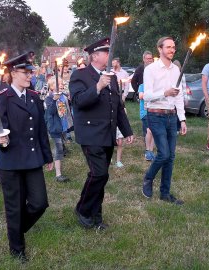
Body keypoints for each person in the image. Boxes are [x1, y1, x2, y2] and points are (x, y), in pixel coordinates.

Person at [0, 52, 53, 262]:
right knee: (14, 206)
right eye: (25, 72)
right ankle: (17, 249)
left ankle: (16, 228)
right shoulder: (2, 98)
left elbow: (41, 129)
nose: (30, 76)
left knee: (39, 203)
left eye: (30, 72)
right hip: (11, 162)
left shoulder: (34, 97)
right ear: (13, 73)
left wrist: (48, 156)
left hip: (33, 159)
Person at [69, 38, 134, 230]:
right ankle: (83, 210)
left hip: (107, 134)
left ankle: (94, 213)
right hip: (90, 133)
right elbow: (79, 101)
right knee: (99, 174)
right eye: (107, 52)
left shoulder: (112, 77)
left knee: (101, 176)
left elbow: (117, 107)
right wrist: (97, 86)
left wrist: (127, 129)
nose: (110, 55)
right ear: (95, 56)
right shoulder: (80, 75)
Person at [142, 36, 187, 205]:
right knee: (164, 153)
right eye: (168, 47)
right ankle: (148, 178)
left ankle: (165, 193)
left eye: (173, 47)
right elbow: (146, 96)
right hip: (155, 115)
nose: (172, 50)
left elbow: (179, 96)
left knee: (171, 157)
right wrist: (165, 93)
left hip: (171, 116)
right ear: (159, 49)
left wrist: (182, 119)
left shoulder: (176, 70)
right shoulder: (151, 69)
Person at [44, 76, 71, 182]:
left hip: (63, 126)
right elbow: (50, 112)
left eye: (61, 83)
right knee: (59, 149)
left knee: (61, 147)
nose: (61, 85)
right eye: (59, 83)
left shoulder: (63, 95)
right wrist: (54, 100)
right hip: (54, 127)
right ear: (52, 86)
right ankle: (58, 174)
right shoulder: (48, 97)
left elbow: (67, 109)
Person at [138, 84, 155, 161]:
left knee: (154, 131)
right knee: (149, 130)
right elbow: (140, 96)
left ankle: (151, 151)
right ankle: (147, 151)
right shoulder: (142, 86)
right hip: (145, 113)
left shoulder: (155, 85)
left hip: (155, 112)